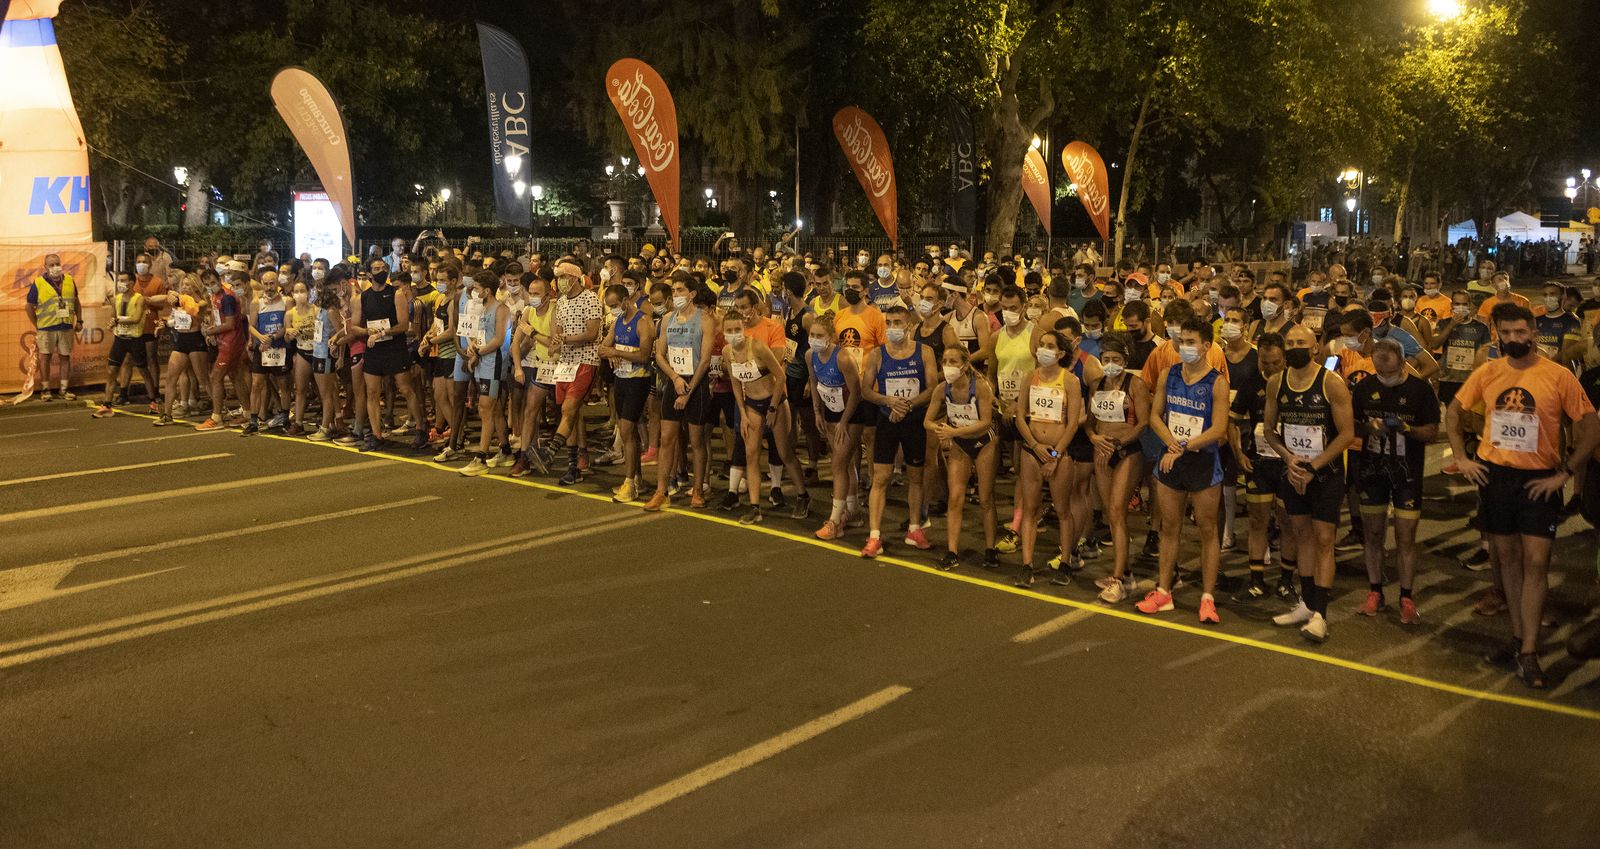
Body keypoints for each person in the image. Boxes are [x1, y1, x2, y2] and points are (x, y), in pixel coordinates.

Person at [1448, 303, 1600, 688]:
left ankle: (1530, 650)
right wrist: (1463, 458)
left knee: (1536, 562)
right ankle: (1518, 639)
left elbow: (1590, 428)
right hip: (1497, 478)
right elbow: (1453, 412)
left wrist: (1565, 472)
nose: (1514, 338)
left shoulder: (1557, 375)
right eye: (1506, 333)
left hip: (1539, 480)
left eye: (1520, 332)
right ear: (1497, 333)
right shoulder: (1488, 372)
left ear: (1533, 331)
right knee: (1509, 562)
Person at [1265, 325, 1356, 642]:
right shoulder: (1277, 382)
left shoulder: (1331, 383)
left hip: (1325, 473)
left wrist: (1312, 468)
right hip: (1294, 471)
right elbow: (1269, 430)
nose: (1294, 347)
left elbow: (1347, 434)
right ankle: (1306, 603)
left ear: (1315, 347)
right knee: (1301, 534)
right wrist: (1289, 459)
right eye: (1289, 343)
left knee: (1324, 538)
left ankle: (1321, 615)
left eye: (1300, 342)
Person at [1137, 318, 1230, 622]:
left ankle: (1207, 597)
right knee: (1169, 527)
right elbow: (1155, 416)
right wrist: (1172, 445)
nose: (1184, 346)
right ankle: (1163, 591)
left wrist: (1183, 447)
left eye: (1191, 342)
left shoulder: (1217, 382)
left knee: (1207, 529)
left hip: (1203, 461)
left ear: (1206, 346)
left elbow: (1219, 429)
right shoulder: (1169, 374)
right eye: (1181, 341)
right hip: (1171, 458)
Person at [1352, 337, 1440, 624]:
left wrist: (1406, 429)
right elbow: (1350, 425)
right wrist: (1368, 428)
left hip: (1407, 473)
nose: (1384, 376)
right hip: (1372, 471)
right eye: (1379, 370)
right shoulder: (1364, 388)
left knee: (1406, 537)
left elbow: (1431, 432)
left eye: (1390, 371)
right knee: (1373, 534)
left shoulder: (1420, 390)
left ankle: (1406, 597)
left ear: (1403, 363)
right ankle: (1374, 591)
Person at [858, 306, 937, 558]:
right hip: (887, 421)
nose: (893, 327)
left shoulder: (925, 352)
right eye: (889, 322)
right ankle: (874, 536)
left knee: (915, 477)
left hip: (914, 421)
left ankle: (914, 529)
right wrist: (889, 401)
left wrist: (907, 405)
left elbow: (933, 388)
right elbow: (865, 390)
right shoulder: (877, 355)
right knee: (880, 478)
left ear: (909, 325)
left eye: (898, 322)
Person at [1227, 332, 1291, 603]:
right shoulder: (1251, 383)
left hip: (1289, 464)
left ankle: (1287, 581)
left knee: (1288, 522)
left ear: (1285, 358)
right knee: (1257, 520)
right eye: (1265, 363)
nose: (1271, 368)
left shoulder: (1295, 382)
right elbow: (1232, 420)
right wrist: (1239, 453)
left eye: (1276, 362)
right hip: (1259, 462)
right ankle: (1256, 581)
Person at [643, 279, 717, 511]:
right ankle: (661, 491)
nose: (675, 294)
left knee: (696, 440)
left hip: (696, 384)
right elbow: (660, 354)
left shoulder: (705, 320)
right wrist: (675, 378)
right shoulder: (667, 319)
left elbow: (705, 360)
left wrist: (688, 389)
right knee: (667, 439)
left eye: (680, 290)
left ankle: (698, 490)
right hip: (673, 382)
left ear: (692, 294)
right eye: (673, 290)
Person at [1087, 332, 1149, 601]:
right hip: (1102, 451)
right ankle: (1126, 572)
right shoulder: (1097, 384)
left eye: (1116, 359)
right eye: (1106, 359)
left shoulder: (1135, 384)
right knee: (1110, 514)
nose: (1110, 364)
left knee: (1117, 510)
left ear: (1125, 360)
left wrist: (1120, 442)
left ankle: (1119, 580)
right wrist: (1094, 437)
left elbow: (1143, 422)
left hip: (1126, 452)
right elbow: (1089, 422)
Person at [924, 344, 999, 570]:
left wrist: (953, 432)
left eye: (953, 362)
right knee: (955, 497)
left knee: (985, 498)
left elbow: (985, 422)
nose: (948, 366)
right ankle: (952, 551)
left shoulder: (981, 387)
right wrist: (941, 430)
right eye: (945, 362)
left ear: (965, 365)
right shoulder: (942, 389)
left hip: (984, 443)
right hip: (960, 443)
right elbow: (927, 421)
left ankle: (990, 549)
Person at [809, 313, 871, 539]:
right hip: (830, 411)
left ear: (831, 337)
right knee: (845, 463)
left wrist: (844, 421)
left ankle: (835, 520)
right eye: (812, 335)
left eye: (819, 335)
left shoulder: (843, 358)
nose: (814, 339)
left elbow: (857, 392)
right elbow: (814, 382)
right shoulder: (810, 355)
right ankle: (853, 511)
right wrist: (817, 411)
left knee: (838, 464)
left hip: (851, 413)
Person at [599, 282, 657, 502]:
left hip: (638, 380)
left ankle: (629, 482)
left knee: (626, 430)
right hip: (621, 379)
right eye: (609, 306)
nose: (612, 309)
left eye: (614, 305)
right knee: (629, 432)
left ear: (625, 300)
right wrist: (612, 351)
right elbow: (602, 348)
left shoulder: (643, 321)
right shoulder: (617, 322)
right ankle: (637, 479)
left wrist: (616, 352)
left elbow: (644, 355)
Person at [547, 260, 603, 485]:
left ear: (573, 278)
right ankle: (574, 465)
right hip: (566, 363)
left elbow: (592, 332)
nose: (560, 281)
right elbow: (559, 333)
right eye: (558, 277)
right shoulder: (561, 302)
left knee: (569, 409)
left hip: (585, 360)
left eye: (563, 277)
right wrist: (556, 343)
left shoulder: (590, 299)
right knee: (568, 413)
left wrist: (565, 339)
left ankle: (551, 451)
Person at [459, 271, 513, 474]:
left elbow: (499, 339)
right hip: (483, 362)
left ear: (487, 290)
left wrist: (479, 352)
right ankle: (505, 450)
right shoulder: (483, 308)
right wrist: (473, 349)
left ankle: (481, 458)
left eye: (477, 288)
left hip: (494, 363)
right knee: (495, 409)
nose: (474, 291)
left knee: (485, 409)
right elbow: (481, 335)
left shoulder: (501, 309)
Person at [26, 254, 81, 401]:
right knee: (45, 357)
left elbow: (76, 301)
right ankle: (45, 390)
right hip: (46, 328)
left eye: (57, 264)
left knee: (65, 357)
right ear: (45, 267)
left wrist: (79, 320)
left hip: (66, 326)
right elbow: (29, 306)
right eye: (51, 265)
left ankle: (64, 389)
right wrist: (37, 324)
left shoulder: (69, 280)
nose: (55, 267)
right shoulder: (38, 283)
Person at [242, 271, 290, 436]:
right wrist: (260, 338)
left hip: (280, 347)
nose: (269, 287)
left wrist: (273, 337)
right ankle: (253, 421)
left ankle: (285, 418)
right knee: (257, 383)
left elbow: (287, 325)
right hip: (262, 348)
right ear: (261, 284)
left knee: (283, 384)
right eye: (266, 284)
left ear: (277, 283)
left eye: (272, 283)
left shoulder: (286, 301)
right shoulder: (256, 302)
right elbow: (251, 325)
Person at [94, 270, 146, 418]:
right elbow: (113, 317)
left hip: (135, 338)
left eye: (123, 280)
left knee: (144, 371)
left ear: (131, 283)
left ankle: (153, 400)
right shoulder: (116, 299)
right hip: (120, 338)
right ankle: (106, 405)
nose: (120, 284)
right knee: (111, 370)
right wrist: (112, 323)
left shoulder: (139, 299)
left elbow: (136, 318)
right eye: (119, 280)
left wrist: (119, 320)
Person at [285, 280, 318, 435]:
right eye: (296, 291)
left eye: (302, 291)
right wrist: (290, 333)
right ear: (292, 294)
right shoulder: (290, 314)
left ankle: (330, 421)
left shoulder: (315, 310)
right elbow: (286, 337)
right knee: (300, 389)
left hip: (317, 351)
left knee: (324, 389)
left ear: (308, 292)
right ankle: (298, 422)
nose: (299, 294)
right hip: (302, 351)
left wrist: (305, 331)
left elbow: (321, 331)